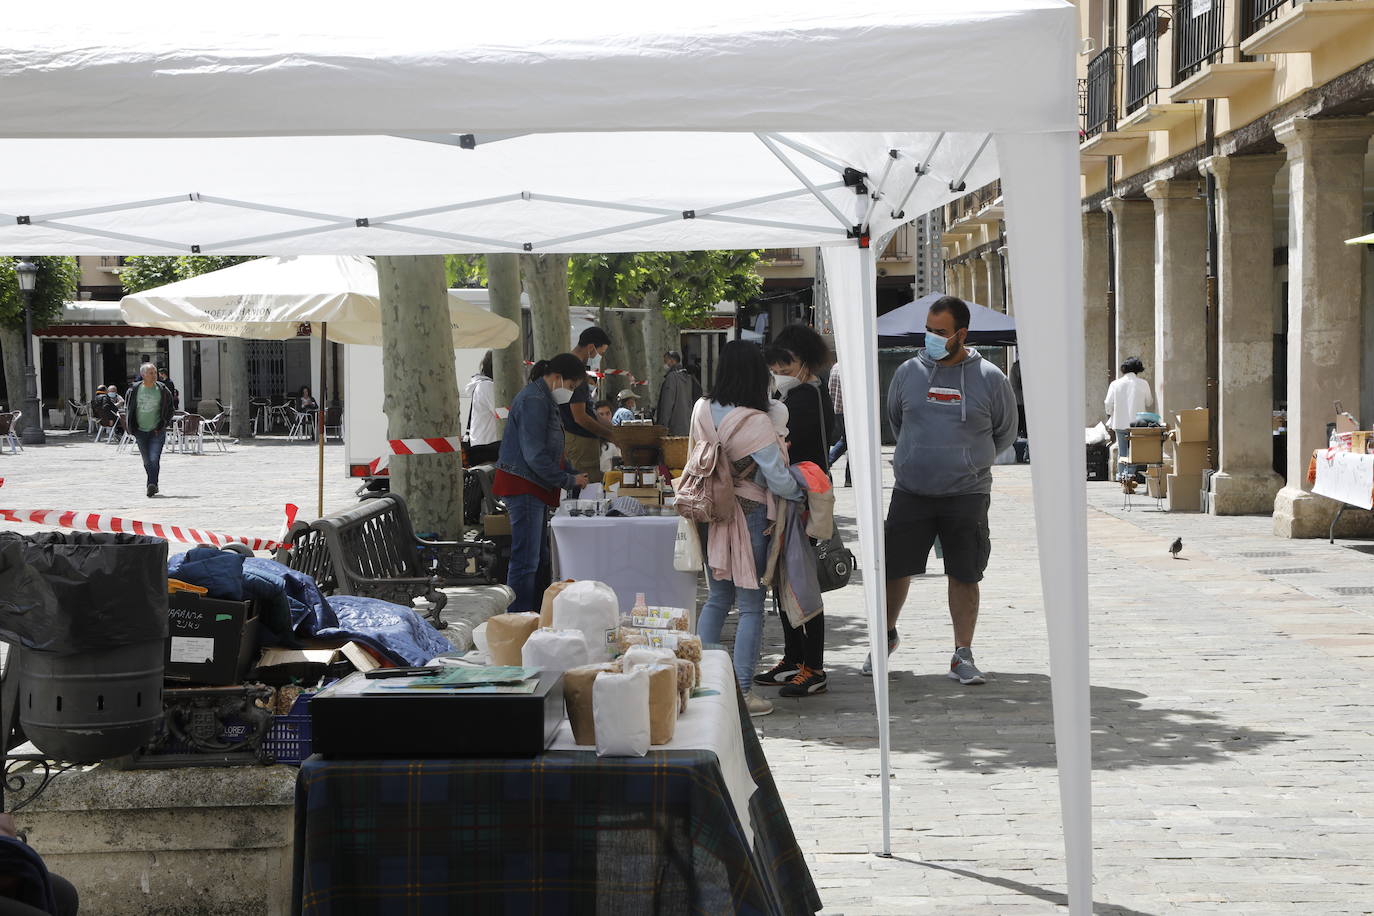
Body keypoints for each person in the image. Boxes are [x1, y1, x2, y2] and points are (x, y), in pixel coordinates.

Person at [875, 296, 1017, 685]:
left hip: (967, 494)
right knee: (895, 568)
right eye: (930, 330)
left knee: (965, 573)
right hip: (911, 491)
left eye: (941, 332)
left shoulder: (991, 378)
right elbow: (896, 420)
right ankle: (885, 636)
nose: (932, 338)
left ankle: (962, 653)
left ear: (961, 334)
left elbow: (1004, 432)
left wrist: (969, 459)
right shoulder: (907, 372)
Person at [694, 340, 803, 718]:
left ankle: (703, 684)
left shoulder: (701, 409)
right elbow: (776, 477)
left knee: (716, 599)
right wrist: (801, 492)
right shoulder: (757, 420)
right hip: (751, 512)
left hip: (710, 513)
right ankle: (740, 692)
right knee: (752, 606)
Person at [757, 323, 836, 698]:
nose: (780, 374)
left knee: (802, 582)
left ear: (803, 363)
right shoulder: (797, 394)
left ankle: (814, 666)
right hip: (794, 495)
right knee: (784, 580)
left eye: (785, 367)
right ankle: (793, 659)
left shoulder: (806, 397)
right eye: (776, 368)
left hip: (804, 497)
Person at [495, 354, 589, 613]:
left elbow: (549, 451)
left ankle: (535, 613)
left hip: (532, 484)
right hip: (524, 486)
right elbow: (535, 454)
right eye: (571, 387)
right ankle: (519, 618)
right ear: (558, 377)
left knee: (537, 558)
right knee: (526, 560)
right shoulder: (535, 400)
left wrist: (571, 472)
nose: (569, 393)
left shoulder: (542, 398)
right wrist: (567, 479)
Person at [559, 327, 615, 483]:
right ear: (591, 347)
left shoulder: (567, 364)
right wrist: (609, 434)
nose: (600, 358)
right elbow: (580, 417)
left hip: (575, 439)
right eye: (600, 353)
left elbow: (586, 412)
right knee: (587, 491)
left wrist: (609, 427)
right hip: (580, 440)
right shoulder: (574, 369)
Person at [125, 363, 176, 497]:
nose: (154, 375)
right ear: (143, 375)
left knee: (154, 459)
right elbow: (128, 409)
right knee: (147, 461)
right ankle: (153, 483)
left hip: (157, 431)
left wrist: (164, 423)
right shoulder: (133, 390)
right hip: (140, 431)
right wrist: (131, 427)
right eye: (151, 373)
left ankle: (151, 484)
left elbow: (171, 408)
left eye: (155, 372)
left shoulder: (163, 389)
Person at [1104, 357, 1153, 492]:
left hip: (1120, 422)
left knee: (1122, 450)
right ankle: (1130, 478)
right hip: (1137, 423)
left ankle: (1123, 478)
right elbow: (1149, 402)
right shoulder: (1143, 383)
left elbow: (1108, 402)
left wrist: (1111, 412)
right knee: (1134, 452)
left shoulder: (1115, 384)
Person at [464, 351, 501, 465]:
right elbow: (503, 414)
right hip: (488, 449)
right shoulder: (487, 386)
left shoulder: (481, 385)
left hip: (482, 446)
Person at [656, 350, 700, 437]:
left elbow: (667, 405)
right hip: (688, 427)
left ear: (672, 361)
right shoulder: (689, 377)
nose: (664, 364)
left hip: (673, 429)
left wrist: (662, 427)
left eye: (665, 361)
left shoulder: (671, 378)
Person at [826, 361, 852, 487]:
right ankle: (828, 462)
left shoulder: (835, 367)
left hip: (837, 409)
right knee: (852, 444)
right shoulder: (850, 369)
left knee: (848, 441)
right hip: (849, 411)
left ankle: (850, 478)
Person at [594, 402, 622, 473]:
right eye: (601, 414)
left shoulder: (617, 431)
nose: (605, 417)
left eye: (607, 413)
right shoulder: (593, 432)